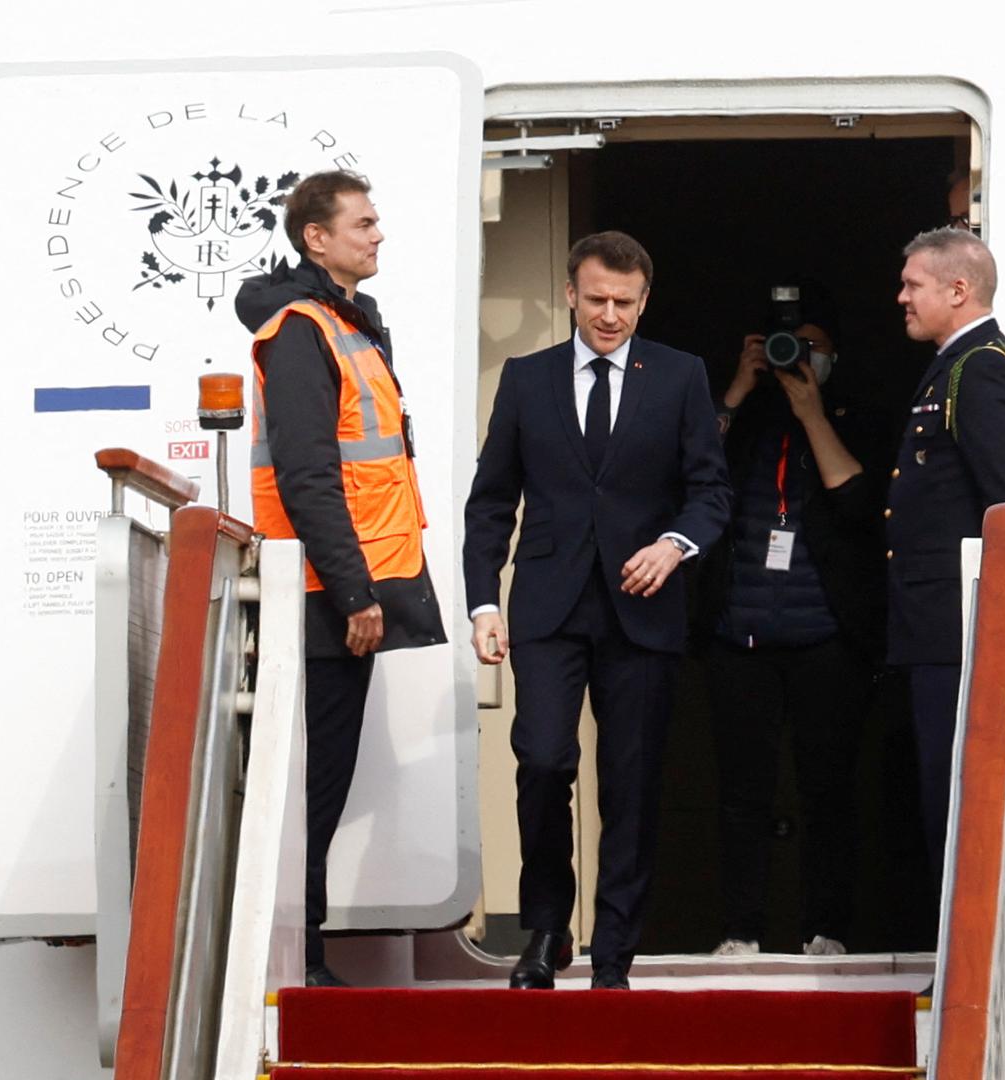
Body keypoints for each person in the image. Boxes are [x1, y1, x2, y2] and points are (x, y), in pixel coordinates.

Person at [463, 230, 731, 990]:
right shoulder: (526, 378)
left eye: (625, 302)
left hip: (643, 608)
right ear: (571, 295)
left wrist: (675, 544)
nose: (609, 315)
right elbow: (490, 504)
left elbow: (711, 491)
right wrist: (485, 601)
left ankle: (614, 953)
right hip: (546, 607)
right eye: (597, 300)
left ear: (644, 301)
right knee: (543, 761)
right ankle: (547, 929)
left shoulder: (681, 377)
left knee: (632, 782)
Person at [235, 170, 447, 988]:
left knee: (322, 780)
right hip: (328, 598)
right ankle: (301, 959)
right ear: (315, 237)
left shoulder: (348, 323)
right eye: (363, 222)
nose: (378, 233)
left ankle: (305, 954)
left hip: (344, 589)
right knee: (312, 788)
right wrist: (355, 592)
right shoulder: (302, 331)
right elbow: (308, 474)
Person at [692, 284, 887, 958]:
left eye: (811, 349)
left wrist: (811, 412)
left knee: (826, 790)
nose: (795, 359)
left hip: (826, 639)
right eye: (785, 347)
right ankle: (740, 931)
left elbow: (860, 502)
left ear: (834, 355)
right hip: (737, 636)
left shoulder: (852, 414)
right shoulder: (741, 419)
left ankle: (826, 929)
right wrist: (739, 389)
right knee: (741, 793)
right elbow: (685, 472)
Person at [887, 227, 1005, 946]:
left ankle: (963, 956)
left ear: (959, 289)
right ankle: (949, 951)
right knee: (934, 798)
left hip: (959, 629)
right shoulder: (957, 364)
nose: (902, 297)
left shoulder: (978, 368)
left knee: (953, 802)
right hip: (934, 625)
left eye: (913, 284)